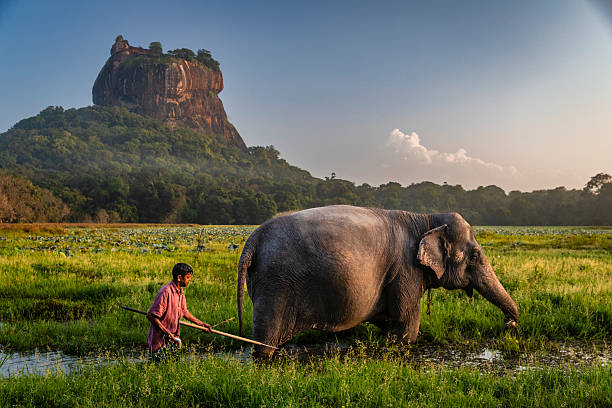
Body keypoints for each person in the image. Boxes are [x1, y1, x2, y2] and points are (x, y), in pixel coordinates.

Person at [147, 262, 211, 361]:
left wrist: (201, 324)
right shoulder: (166, 292)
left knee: (174, 371)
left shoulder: (180, 292)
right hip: (160, 344)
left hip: (174, 341)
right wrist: (167, 334)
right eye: (188, 277)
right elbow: (151, 316)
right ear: (179, 278)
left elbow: (184, 312)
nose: (190, 280)